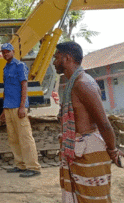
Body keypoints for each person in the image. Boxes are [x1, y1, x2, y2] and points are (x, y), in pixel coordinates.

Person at [53, 42, 123, 203]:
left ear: (67, 58)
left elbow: (103, 123)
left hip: (89, 151)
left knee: (93, 198)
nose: (54, 62)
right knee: (83, 197)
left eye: (56, 58)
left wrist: (113, 150)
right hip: (79, 151)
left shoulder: (83, 84)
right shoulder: (73, 84)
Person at [0, 43, 41, 178]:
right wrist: (3, 109)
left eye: (7, 52)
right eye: (3, 52)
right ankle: (20, 165)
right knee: (13, 138)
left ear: (13, 52)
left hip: (18, 107)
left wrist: (23, 106)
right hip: (8, 107)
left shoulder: (20, 66)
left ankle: (33, 167)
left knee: (25, 137)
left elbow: (24, 86)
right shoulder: (6, 68)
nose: (5, 54)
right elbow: (6, 90)